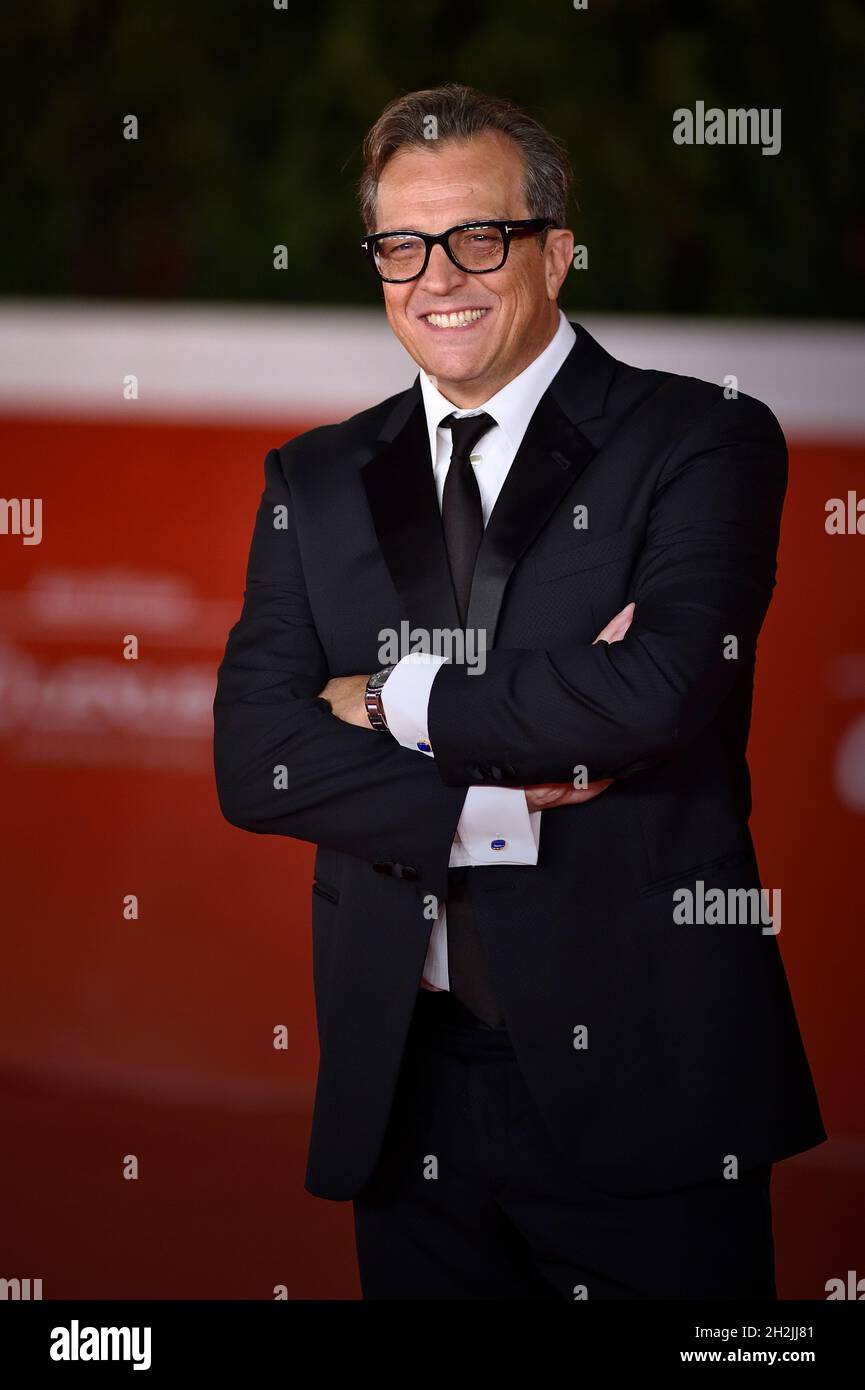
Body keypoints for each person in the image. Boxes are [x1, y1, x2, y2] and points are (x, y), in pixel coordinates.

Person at [213, 83, 825, 1300]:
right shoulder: (318, 475)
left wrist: (389, 699)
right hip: (405, 1084)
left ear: (556, 249)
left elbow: (654, 690)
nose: (438, 276)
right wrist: (488, 798)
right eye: (401, 244)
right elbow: (252, 754)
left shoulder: (701, 438)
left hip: (647, 1078)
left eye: (476, 237)